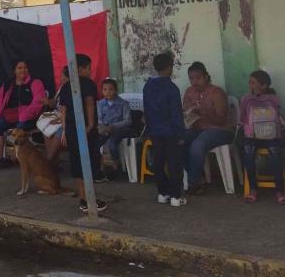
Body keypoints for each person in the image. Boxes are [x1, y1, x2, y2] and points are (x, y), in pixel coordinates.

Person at [57, 54, 108, 212]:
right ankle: (90, 199)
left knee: (77, 164)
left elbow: (63, 111)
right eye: (88, 68)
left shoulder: (66, 86)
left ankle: (83, 198)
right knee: (89, 163)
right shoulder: (88, 84)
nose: (90, 71)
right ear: (81, 69)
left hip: (71, 129)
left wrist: (65, 131)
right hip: (84, 128)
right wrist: (91, 124)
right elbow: (89, 104)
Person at [143, 52, 187, 207]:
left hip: (155, 131)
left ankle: (163, 193)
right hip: (171, 132)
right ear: (169, 67)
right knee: (174, 164)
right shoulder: (171, 88)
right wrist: (181, 133)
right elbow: (176, 113)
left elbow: (147, 110)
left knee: (158, 162)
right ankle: (176, 196)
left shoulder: (148, 86)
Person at [239, 69, 285, 205]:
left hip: (271, 134)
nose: (250, 86)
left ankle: (280, 190)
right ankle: (253, 189)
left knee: (276, 154)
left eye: (253, 83)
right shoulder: (246, 99)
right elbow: (242, 118)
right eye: (250, 83)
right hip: (252, 136)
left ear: (264, 85)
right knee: (248, 153)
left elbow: (276, 117)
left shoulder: (273, 99)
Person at [182, 62, 232, 194]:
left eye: (198, 78)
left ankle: (193, 183)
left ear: (206, 77)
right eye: (191, 78)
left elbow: (221, 120)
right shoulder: (189, 92)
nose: (195, 82)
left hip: (220, 130)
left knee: (198, 144)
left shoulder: (216, 92)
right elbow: (185, 116)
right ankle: (198, 179)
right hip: (197, 129)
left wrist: (203, 112)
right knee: (177, 142)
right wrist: (187, 113)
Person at [0, 61, 46, 170]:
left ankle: (18, 157)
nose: (23, 70)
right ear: (14, 71)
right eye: (19, 68)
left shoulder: (35, 83)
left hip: (30, 117)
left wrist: (24, 115)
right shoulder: (8, 84)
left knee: (21, 125)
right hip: (12, 116)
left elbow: (38, 102)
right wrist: (1, 113)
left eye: (25, 67)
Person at [98, 77, 135, 179]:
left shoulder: (123, 104)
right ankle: (101, 168)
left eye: (111, 89)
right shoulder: (101, 104)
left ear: (116, 90)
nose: (108, 92)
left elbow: (128, 121)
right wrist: (104, 128)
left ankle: (116, 165)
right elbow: (99, 119)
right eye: (105, 89)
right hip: (105, 129)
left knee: (112, 144)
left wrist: (113, 126)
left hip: (120, 130)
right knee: (94, 144)